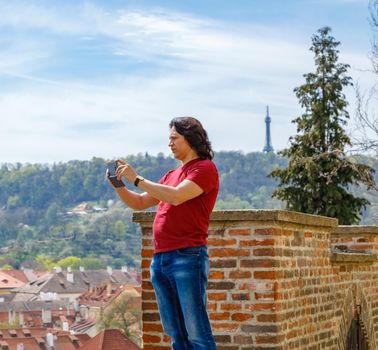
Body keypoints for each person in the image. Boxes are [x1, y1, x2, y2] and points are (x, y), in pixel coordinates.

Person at [108, 117, 219, 350]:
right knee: (176, 333)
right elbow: (139, 203)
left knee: (197, 332)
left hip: (187, 257)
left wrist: (136, 179)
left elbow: (176, 196)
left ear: (190, 138)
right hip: (161, 259)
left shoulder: (204, 169)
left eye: (174, 138)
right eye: (169, 139)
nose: (169, 143)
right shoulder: (170, 175)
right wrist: (118, 185)